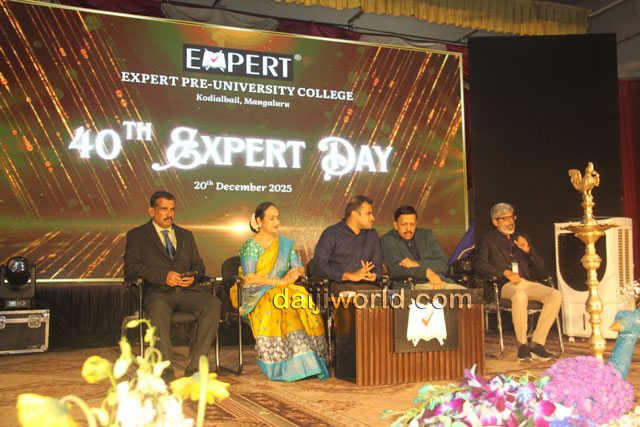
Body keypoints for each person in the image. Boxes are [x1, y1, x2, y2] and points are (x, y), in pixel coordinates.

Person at [124, 191, 221, 381]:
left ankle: (195, 367)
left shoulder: (186, 235)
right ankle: (164, 368)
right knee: (158, 307)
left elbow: (198, 265)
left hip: (185, 291)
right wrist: (163, 276)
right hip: (158, 292)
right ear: (151, 211)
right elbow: (131, 267)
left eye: (172, 209)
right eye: (164, 209)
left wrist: (193, 276)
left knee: (213, 304)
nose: (169, 214)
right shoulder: (137, 235)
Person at [231, 202, 329, 381]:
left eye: (278, 218)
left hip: (282, 287)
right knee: (278, 301)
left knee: (302, 299)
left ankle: (310, 362)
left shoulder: (283, 245)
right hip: (256, 291)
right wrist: (278, 281)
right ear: (259, 221)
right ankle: (284, 365)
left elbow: (299, 268)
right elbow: (249, 277)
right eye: (272, 218)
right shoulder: (251, 245)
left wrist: (296, 272)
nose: (277, 222)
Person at [475, 202, 562, 362]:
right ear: (495, 222)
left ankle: (537, 344)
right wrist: (504, 272)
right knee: (520, 295)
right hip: (503, 285)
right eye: (505, 218)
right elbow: (480, 265)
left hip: (525, 282)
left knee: (555, 295)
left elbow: (540, 267)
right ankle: (522, 345)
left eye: (511, 217)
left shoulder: (521, 237)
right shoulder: (487, 239)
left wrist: (527, 251)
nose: (510, 222)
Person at [381, 205, 464, 289]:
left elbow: (443, 264)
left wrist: (416, 263)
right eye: (404, 224)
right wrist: (425, 272)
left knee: (466, 294)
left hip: (440, 282)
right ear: (396, 225)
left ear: (416, 223)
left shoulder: (427, 235)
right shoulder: (387, 240)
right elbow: (395, 270)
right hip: (413, 286)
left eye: (412, 224)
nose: (408, 229)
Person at [313, 195, 383, 295]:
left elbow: (377, 267)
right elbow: (319, 266)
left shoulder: (372, 234)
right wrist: (348, 276)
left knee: (386, 297)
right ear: (355, 214)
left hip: (367, 285)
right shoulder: (331, 233)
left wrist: (374, 276)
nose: (373, 218)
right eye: (368, 214)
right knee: (354, 297)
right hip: (339, 284)